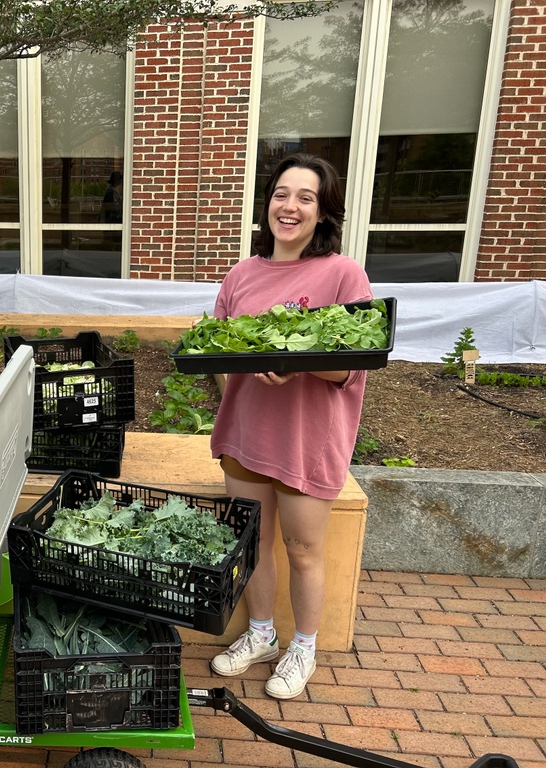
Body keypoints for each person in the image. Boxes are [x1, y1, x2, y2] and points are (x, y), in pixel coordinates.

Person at [208, 152, 373, 699]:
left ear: (324, 212)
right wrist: (243, 359)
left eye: (306, 197)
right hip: (246, 429)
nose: (290, 206)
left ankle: (304, 646)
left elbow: (353, 363)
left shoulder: (344, 274)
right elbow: (217, 350)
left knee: (303, 548)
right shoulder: (242, 273)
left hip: (307, 439)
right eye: (282, 194)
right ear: (268, 204)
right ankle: (259, 635)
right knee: (250, 542)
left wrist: (294, 357)